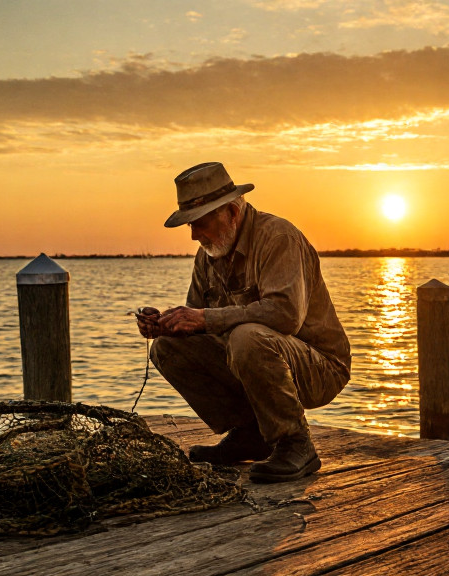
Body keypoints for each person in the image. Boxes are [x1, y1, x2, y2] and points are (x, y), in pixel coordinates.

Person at [136, 162, 351, 483]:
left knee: (246, 337)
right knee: (168, 348)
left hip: (321, 368)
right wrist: (166, 324)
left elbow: (285, 315)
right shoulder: (206, 255)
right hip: (253, 354)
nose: (194, 235)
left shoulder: (279, 238)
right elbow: (198, 324)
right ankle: (250, 433)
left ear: (232, 213)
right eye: (189, 226)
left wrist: (205, 318)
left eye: (200, 223)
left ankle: (295, 442)